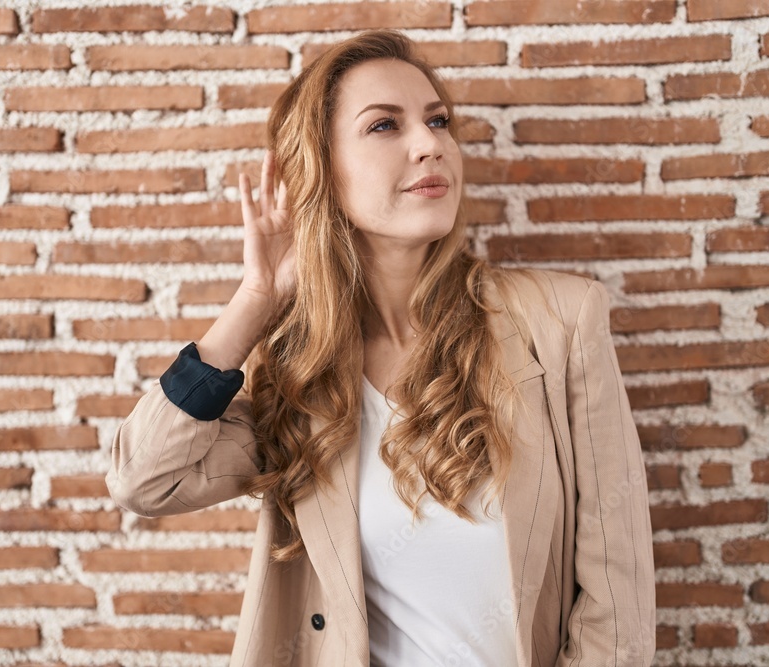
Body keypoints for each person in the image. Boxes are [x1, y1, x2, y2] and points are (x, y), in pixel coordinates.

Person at [107, 29, 655, 667]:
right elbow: (145, 480)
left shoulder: (559, 321)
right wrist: (256, 298)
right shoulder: (299, 378)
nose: (430, 144)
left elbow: (617, 602)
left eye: (438, 121)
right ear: (321, 171)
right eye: (384, 126)